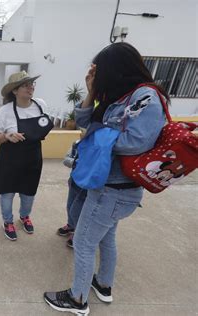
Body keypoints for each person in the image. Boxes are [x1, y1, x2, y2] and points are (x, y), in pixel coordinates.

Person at [44, 42, 168, 315]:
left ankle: (77, 299)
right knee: (105, 238)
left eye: (101, 71)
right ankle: (103, 285)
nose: (98, 76)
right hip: (109, 186)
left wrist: (96, 137)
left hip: (115, 189)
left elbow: (136, 141)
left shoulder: (145, 96)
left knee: (84, 242)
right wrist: (90, 94)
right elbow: (85, 122)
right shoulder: (121, 97)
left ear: (117, 69)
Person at [0, 71, 53, 241]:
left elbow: (44, 126)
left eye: (32, 84)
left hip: (32, 157)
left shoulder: (40, 105)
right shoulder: (5, 111)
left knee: (28, 192)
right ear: (15, 91)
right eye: (26, 85)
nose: (31, 87)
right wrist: (6, 137)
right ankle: (8, 221)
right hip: (10, 158)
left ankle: (24, 216)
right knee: (7, 192)